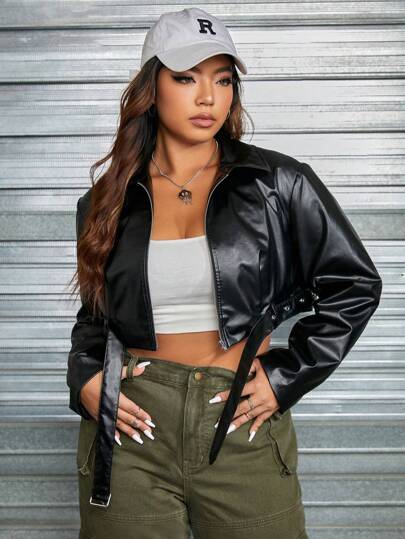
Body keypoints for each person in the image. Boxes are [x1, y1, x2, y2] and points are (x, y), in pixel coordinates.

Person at [67, 7, 382, 539]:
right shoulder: (106, 200)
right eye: (186, 78)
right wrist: (86, 378)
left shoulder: (278, 183)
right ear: (151, 87)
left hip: (238, 419)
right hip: (132, 427)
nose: (208, 97)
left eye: (223, 79)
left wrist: (285, 377)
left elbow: (354, 284)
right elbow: (95, 316)